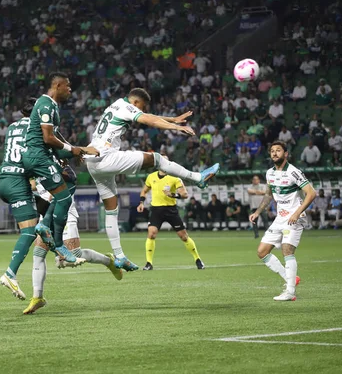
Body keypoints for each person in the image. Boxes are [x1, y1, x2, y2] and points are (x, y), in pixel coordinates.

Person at [85, 88, 219, 271]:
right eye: (142, 106)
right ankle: (198, 178)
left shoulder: (117, 104)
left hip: (92, 161)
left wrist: (172, 118)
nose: (142, 110)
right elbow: (148, 119)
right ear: (136, 103)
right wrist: (176, 127)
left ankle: (120, 256)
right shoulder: (127, 107)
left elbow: (147, 114)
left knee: (111, 210)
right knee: (157, 159)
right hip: (106, 157)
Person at [0, 97, 87, 300]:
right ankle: (11, 273)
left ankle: (46, 229)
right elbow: (50, 145)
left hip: (5, 178)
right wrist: (75, 152)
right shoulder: (37, 126)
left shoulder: (12, 127)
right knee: (64, 186)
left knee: (44, 210)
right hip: (19, 182)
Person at [21, 73, 99, 267]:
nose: (70, 90)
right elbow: (48, 138)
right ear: (57, 85)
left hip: (41, 157)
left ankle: (44, 225)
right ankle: (57, 244)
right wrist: (74, 150)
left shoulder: (53, 107)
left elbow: (56, 139)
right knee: (64, 198)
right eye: (68, 86)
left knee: (70, 181)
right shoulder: (46, 104)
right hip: (38, 157)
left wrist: (75, 152)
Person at [24, 168, 123, 314]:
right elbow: (33, 185)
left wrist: (53, 193)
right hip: (45, 214)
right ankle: (37, 297)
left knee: (73, 256)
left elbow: (71, 177)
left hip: (64, 212)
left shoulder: (57, 163)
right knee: (38, 253)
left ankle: (109, 261)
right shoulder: (35, 164)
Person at [250, 141, 316, 301]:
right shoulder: (270, 173)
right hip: (280, 218)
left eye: (278, 150)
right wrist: (258, 212)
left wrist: (297, 212)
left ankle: (290, 292)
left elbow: (311, 193)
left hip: (295, 218)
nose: (274, 153)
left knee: (287, 250)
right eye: (272, 151)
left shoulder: (293, 172)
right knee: (262, 252)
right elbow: (269, 195)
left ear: (286, 154)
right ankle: (290, 278)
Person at [136, 160, 205, 271]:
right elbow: (144, 191)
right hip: (156, 210)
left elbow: (185, 194)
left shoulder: (175, 178)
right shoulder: (151, 177)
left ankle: (198, 259)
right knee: (151, 234)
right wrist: (141, 202)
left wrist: (172, 194)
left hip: (170, 210)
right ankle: (149, 263)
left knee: (184, 237)